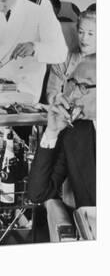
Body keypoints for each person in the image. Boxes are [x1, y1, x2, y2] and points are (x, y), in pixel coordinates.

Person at [28, 56, 96, 208]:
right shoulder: (75, 133)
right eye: (73, 85)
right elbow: (38, 193)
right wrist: (52, 132)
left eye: (84, 87)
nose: (73, 95)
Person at [46, 9, 96, 104]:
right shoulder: (62, 59)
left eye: (90, 34)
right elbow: (51, 92)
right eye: (81, 32)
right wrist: (56, 99)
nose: (84, 38)